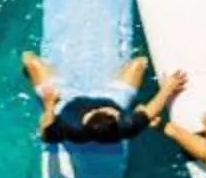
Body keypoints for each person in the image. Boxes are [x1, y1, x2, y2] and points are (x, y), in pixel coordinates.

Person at [22, 50, 158, 144]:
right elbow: (150, 111)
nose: (117, 113)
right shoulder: (126, 127)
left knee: (29, 61)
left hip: (64, 99)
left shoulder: (70, 126)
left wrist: (49, 104)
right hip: (114, 97)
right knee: (140, 63)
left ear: (94, 111)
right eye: (117, 114)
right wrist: (169, 88)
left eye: (115, 114)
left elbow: (45, 134)